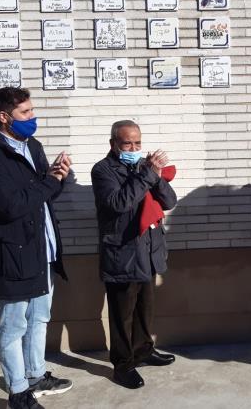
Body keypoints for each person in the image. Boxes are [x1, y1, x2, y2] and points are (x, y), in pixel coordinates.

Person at [0, 87, 73, 409]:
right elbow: (10, 206)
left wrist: (58, 176)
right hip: (11, 253)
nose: (32, 117)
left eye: (32, 110)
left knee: (40, 317)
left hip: (41, 248)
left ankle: (36, 374)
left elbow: (42, 195)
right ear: (4, 117)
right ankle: (18, 392)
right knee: (14, 324)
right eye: (25, 113)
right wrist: (50, 182)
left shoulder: (32, 145)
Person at [91, 120, 178, 389]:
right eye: (127, 143)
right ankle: (123, 364)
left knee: (144, 308)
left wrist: (156, 173)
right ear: (113, 144)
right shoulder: (102, 170)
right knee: (122, 314)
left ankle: (143, 350)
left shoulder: (144, 167)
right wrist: (148, 175)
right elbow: (119, 203)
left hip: (148, 251)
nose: (134, 148)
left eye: (138, 143)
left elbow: (169, 201)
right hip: (122, 252)